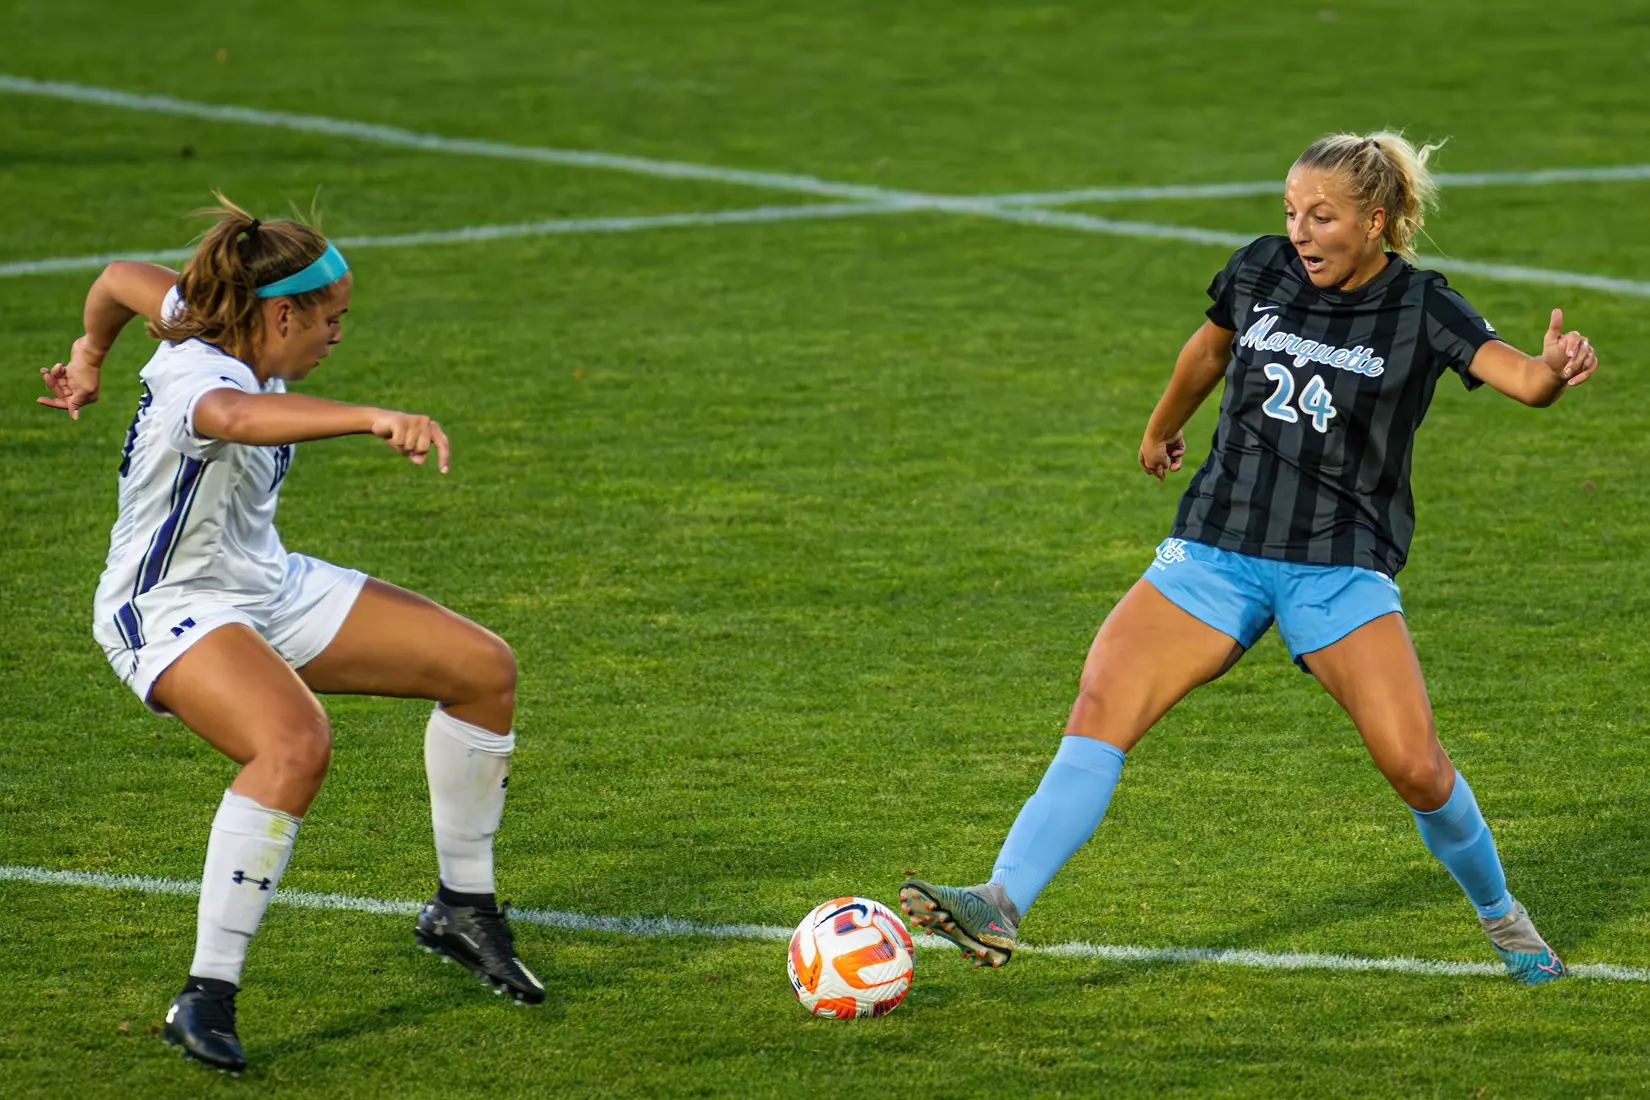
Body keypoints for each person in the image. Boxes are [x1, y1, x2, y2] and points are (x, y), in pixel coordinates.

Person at [900, 132, 1598, 986]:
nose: (1301, 232)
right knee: (1101, 700)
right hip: (1216, 545)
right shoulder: (1262, 269)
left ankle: (1506, 921)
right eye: (1292, 212)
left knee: (1415, 766)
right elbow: (1208, 349)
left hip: (1337, 564)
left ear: (1376, 222)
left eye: (1323, 216)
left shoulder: (1423, 307)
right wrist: (1161, 426)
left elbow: (1522, 379)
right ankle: (1000, 900)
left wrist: (1556, 369)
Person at [37, 197, 545, 1074]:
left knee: (480, 668)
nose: (338, 335)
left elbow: (117, 277)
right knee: (294, 744)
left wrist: (88, 357)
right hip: (166, 606)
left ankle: (462, 910)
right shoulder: (203, 375)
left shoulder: (207, 313)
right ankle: (205, 995)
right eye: (332, 320)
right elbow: (234, 419)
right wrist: (371, 417)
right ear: (280, 314)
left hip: (262, 581)